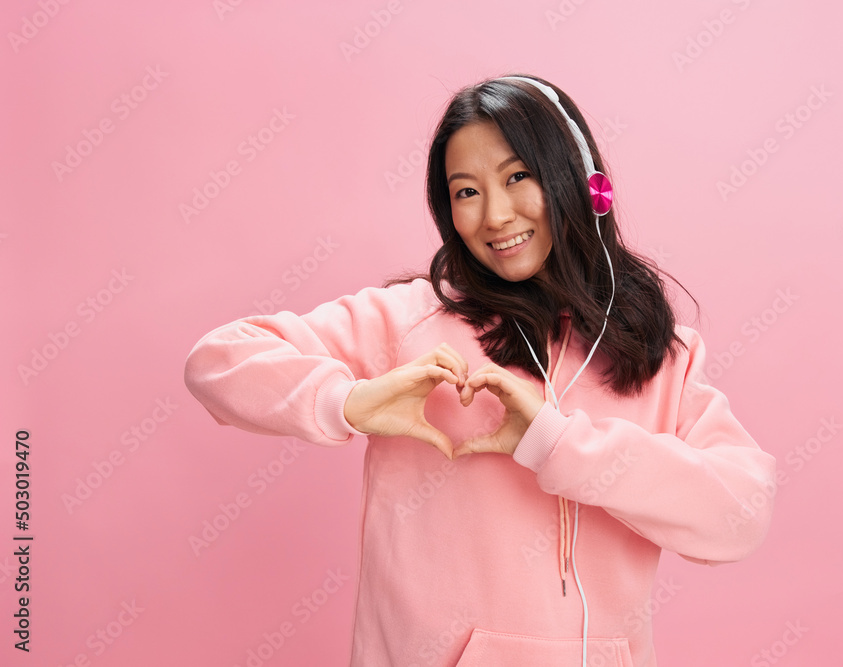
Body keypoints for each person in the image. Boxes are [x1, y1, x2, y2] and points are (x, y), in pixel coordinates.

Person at [184, 73, 776, 667]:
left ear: (586, 184)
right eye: (466, 192)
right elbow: (219, 360)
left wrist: (560, 445)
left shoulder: (658, 353)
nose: (494, 216)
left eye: (518, 177)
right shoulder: (409, 322)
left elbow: (740, 517)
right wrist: (346, 401)